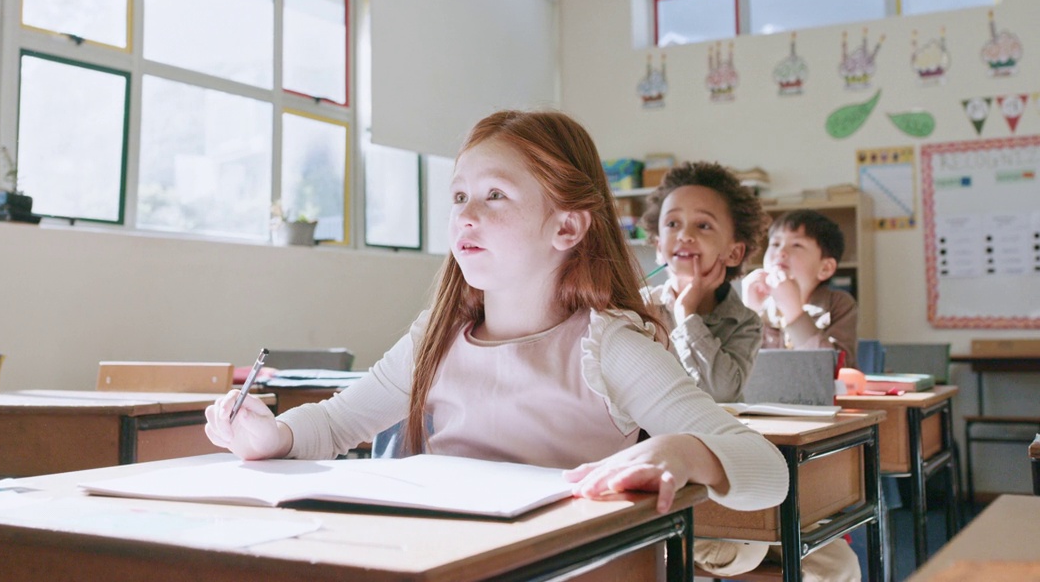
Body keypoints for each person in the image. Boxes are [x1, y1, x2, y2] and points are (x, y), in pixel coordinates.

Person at [205, 109, 787, 517]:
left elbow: (768, 471)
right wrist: (273, 435)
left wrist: (683, 450)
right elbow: (334, 426)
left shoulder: (608, 346)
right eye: (460, 196)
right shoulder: (436, 337)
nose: (466, 215)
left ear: (566, 226)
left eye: (496, 195)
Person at [638, 162, 768, 403]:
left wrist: (686, 315)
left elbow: (721, 393)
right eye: (672, 224)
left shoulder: (745, 323)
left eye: (703, 225)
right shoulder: (639, 308)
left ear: (734, 253)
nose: (684, 235)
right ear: (658, 247)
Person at [742, 209, 858, 369]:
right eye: (775, 244)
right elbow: (735, 371)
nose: (780, 252)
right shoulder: (757, 306)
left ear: (825, 268)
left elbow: (833, 370)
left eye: (797, 245)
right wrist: (749, 312)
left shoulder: (838, 304)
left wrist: (794, 312)